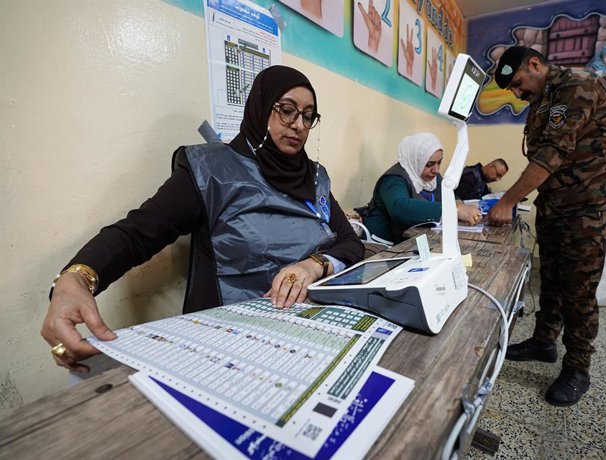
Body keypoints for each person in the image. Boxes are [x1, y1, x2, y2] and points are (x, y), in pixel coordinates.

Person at [42, 65, 365, 374]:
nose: (298, 125)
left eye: (309, 116)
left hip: (310, 329)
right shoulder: (212, 170)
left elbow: (349, 242)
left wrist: (313, 265)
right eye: (287, 109)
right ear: (261, 106)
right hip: (234, 340)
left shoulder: (314, 176)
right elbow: (137, 233)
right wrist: (77, 278)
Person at [489, 46, 606, 406]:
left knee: (578, 286)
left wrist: (506, 201)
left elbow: (551, 153)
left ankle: (578, 367)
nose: (518, 95)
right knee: (550, 275)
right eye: (513, 92)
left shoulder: (576, 86)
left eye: (519, 84)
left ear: (535, 64)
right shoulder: (542, 99)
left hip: (590, 202)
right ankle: (544, 341)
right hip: (556, 201)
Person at [359, 132, 482, 243]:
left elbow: (447, 192)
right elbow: (400, 207)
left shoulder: (432, 176)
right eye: (429, 164)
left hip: (415, 239)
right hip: (385, 245)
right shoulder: (393, 179)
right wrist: (454, 211)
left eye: (439, 162)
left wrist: (459, 204)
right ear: (416, 160)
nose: (436, 170)